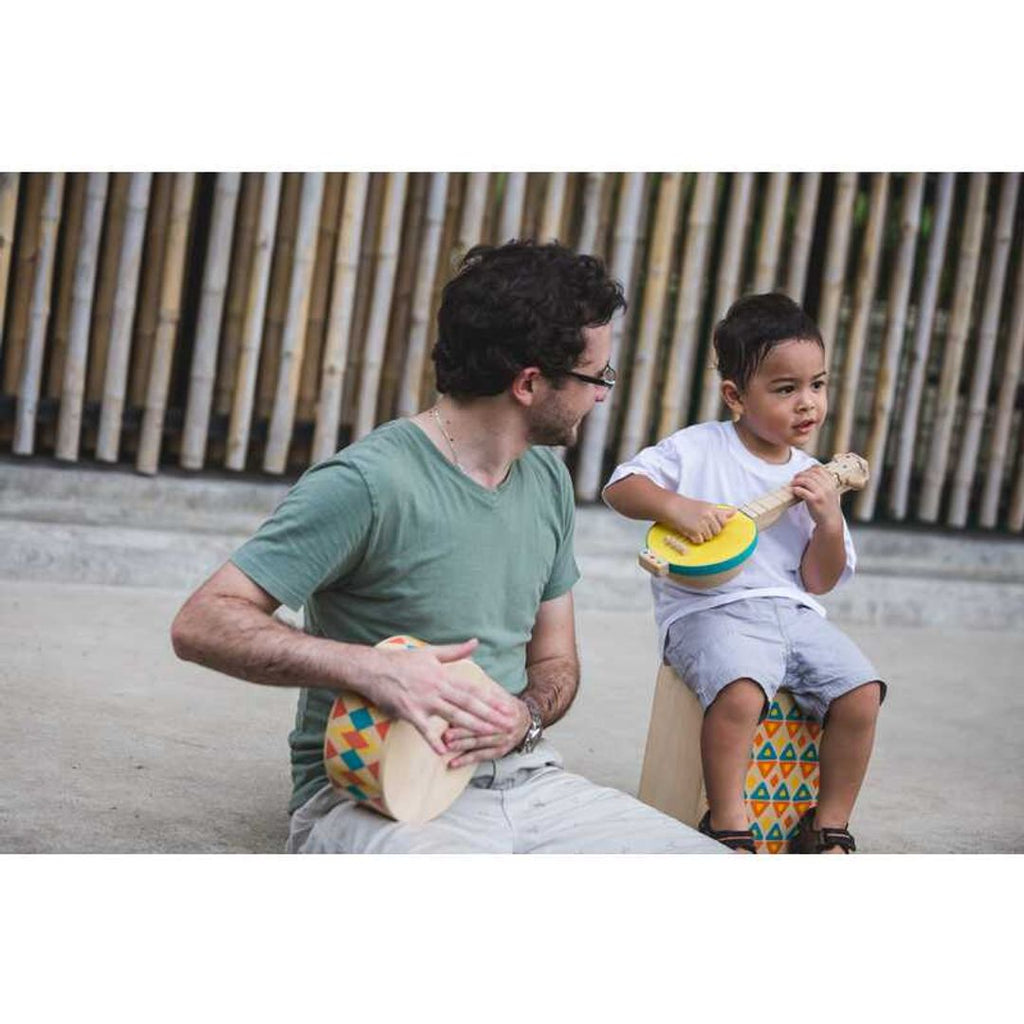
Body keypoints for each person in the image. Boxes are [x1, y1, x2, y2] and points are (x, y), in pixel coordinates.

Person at [171, 239, 723, 854]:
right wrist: (368, 667)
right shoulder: (368, 482)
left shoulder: (547, 482)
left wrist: (526, 717)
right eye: (598, 377)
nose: (601, 394)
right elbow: (201, 621)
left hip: (524, 782)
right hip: (374, 798)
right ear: (530, 383)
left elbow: (554, 664)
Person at [603, 292, 885, 854]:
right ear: (735, 396)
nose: (808, 404)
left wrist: (828, 520)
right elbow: (621, 487)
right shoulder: (699, 448)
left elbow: (820, 579)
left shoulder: (814, 476)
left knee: (861, 691)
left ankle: (827, 824)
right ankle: (728, 822)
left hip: (792, 612)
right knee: (741, 689)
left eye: (818, 385)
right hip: (708, 609)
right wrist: (678, 507)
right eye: (786, 389)